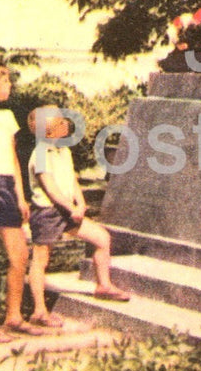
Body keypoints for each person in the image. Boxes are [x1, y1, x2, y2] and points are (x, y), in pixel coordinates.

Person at [27, 106, 130, 327]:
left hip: (67, 210)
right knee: (40, 259)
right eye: (61, 122)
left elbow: (72, 181)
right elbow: (50, 187)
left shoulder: (64, 151)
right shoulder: (41, 153)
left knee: (102, 238)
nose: (66, 124)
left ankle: (103, 285)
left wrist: (80, 203)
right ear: (49, 130)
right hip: (47, 212)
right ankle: (39, 311)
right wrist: (69, 207)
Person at [0, 60, 42, 342]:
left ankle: (13, 316)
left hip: (7, 186)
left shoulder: (7, 117)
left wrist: (21, 194)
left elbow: (13, 158)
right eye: (5, 82)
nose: (10, 86)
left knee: (20, 254)